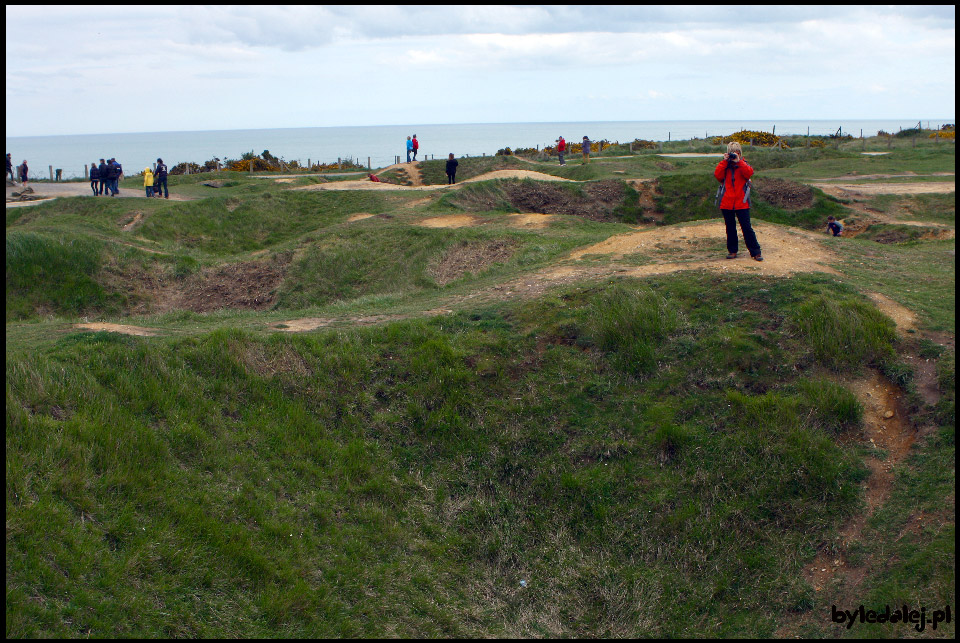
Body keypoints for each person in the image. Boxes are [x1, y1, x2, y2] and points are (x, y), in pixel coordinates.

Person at [714, 142, 762, 261]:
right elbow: (717, 175)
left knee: (746, 227)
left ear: (740, 153)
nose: (735, 155)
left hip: (742, 202)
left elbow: (749, 173)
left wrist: (739, 161)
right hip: (727, 202)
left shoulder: (743, 164)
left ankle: (755, 252)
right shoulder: (724, 165)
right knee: (730, 227)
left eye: (737, 153)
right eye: (732, 153)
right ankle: (732, 251)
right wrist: (725, 161)